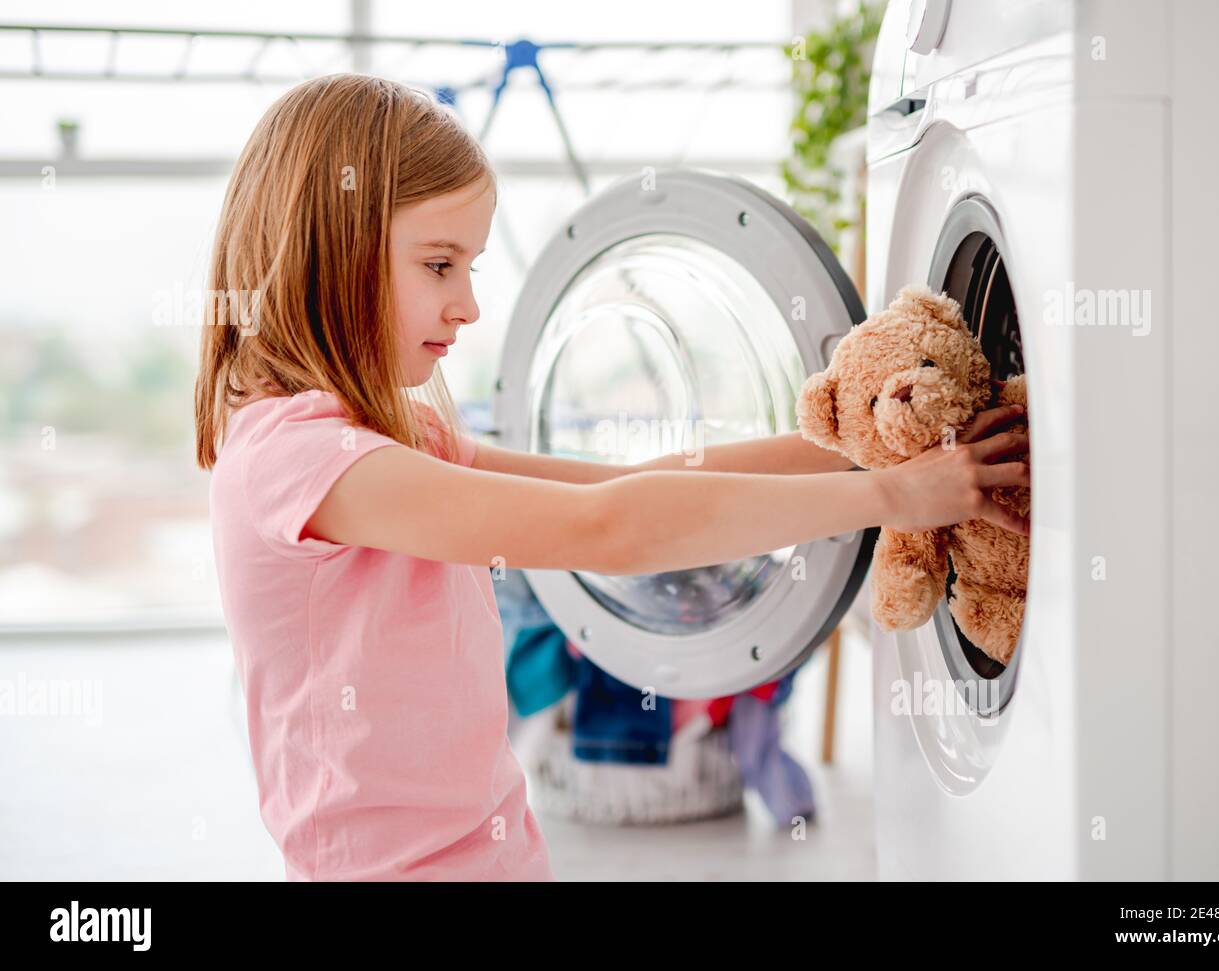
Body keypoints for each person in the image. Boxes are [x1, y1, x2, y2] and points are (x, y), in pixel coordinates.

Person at [195, 74, 1028, 882]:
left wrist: (862, 440)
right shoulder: (295, 463)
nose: (468, 306)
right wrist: (891, 498)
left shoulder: (392, 432)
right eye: (440, 264)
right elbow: (609, 531)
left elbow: (618, 487)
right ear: (332, 252)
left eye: (470, 269)